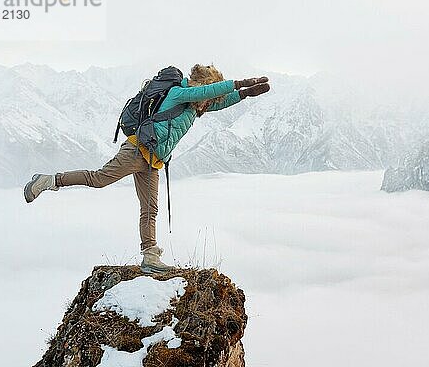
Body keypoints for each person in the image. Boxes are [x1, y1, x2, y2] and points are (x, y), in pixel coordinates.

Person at [24, 64, 270, 273]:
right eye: (206, 93)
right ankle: (47, 181)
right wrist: (239, 83)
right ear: (200, 86)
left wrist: (246, 93)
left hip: (153, 160)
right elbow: (210, 92)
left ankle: (150, 257)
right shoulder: (178, 93)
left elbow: (216, 100)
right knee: (98, 179)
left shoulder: (195, 106)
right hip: (136, 150)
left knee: (150, 208)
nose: (207, 101)